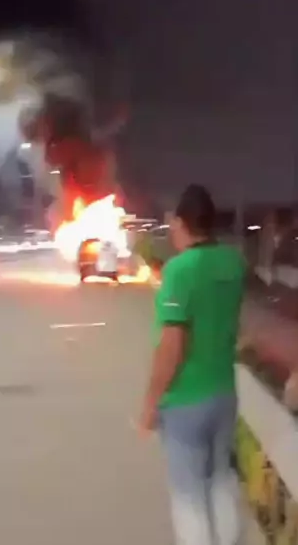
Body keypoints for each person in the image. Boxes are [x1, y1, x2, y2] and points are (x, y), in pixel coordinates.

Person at [139, 184, 245, 545]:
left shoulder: (180, 270)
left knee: (188, 496)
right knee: (220, 481)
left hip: (185, 399)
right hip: (224, 392)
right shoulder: (233, 263)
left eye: (173, 223)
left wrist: (151, 404)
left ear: (182, 223)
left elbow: (172, 345)